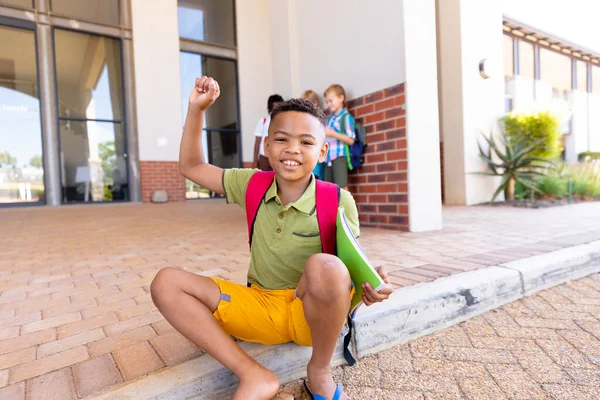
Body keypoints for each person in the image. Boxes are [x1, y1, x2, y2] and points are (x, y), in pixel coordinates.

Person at [150, 76, 392, 400]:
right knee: (166, 282)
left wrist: (370, 286)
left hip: (311, 319)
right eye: (282, 139)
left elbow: (352, 266)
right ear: (267, 145)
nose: (293, 149)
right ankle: (253, 374)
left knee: (328, 267)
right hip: (259, 308)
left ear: (322, 152)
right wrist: (196, 109)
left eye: (306, 142)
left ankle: (319, 373)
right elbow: (192, 166)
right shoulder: (251, 183)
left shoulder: (338, 199)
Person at [320, 84, 356, 191]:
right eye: (327, 102)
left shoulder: (346, 118)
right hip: (328, 158)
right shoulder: (329, 119)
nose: (329, 104)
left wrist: (333, 134)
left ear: (341, 98)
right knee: (329, 188)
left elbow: (351, 140)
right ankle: (332, 208)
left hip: (340, 157)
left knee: (342, 187)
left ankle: (344, 208)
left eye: (331, 101)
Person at [253, 94, 284, 171]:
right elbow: (257, 141)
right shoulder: (263, 122)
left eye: (279, 106)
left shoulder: (284, 122)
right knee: (264, 179)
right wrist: (255, 160)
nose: (276, 109)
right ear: (270, 107)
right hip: (264, 157)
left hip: (279, 156)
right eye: (274, 106)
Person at [300, 89, 325, 180]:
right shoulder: (304, 119)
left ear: (315, 102)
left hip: (316, 155)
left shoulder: (319, 119)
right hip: (306, 155)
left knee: (317, 179)